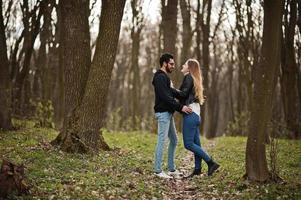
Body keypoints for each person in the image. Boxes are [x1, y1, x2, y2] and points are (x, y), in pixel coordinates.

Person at [172, 59, 220, 178]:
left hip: (190, 115)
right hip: (195, 115)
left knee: (188, 144)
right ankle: (197, 169)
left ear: (189, 68)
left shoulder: (188, 77)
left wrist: (171, 89)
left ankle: (211, 162)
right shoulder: (194, 79)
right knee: (196, 144)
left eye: (185, 64)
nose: (182, 65)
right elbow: (186, 95)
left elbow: (183, 94)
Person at [152, 53, 192, 179]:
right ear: (164, 63)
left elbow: (173, 93)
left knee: (174, 140)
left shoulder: (165, 78)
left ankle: (171, 169)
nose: (173, 66)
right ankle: (158, 171)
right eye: (171, 64)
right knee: (162, 141)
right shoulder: (159, 77)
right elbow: (166, 97)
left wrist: (192, 95)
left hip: (168, 113)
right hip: (163, 113)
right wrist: (181, 107)